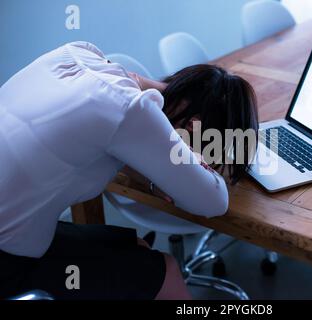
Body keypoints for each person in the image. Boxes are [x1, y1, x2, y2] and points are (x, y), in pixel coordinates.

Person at [0, 41, 258, 300]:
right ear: (193, 126)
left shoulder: (77, 52)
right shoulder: (132, 110)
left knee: (135, 248)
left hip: (14, 230)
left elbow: (106, 137)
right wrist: (190, 163)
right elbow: (213, 201)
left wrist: (155, 174)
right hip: (8, 260)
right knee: (165, 271)